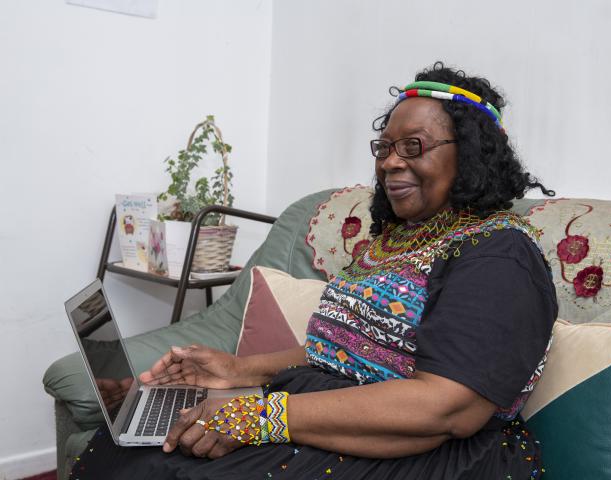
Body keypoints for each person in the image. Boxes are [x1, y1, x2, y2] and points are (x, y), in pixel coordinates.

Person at [71, 62, 557, 479]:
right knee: (131, 444)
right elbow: (344, 354)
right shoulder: (398, 240)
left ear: (469, 154)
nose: (390, 163)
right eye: (384, 147)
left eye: (413, 146)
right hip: (336, 415)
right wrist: (238, 370)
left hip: (430, 450)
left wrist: (259, 415)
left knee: (167, 466)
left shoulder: (498, 254)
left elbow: (448, 407)